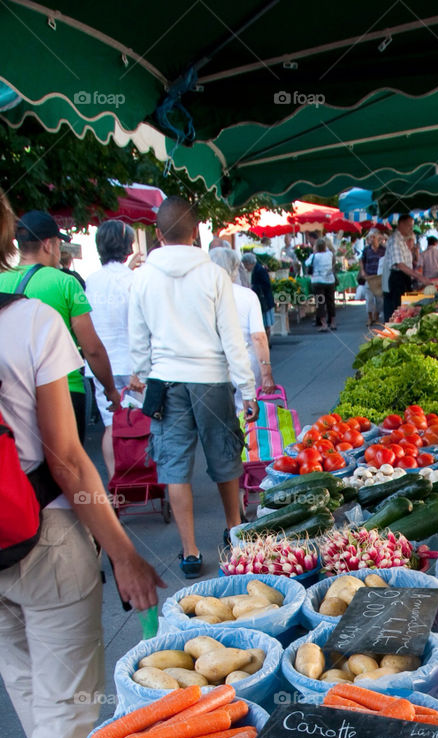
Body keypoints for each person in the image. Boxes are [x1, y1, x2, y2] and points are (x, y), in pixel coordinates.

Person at [0, 187, 162, 738]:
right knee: (69, 717)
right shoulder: (30, 320)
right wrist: (123, 552)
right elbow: (67, 460)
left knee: (38, 709)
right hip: (43, 537)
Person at [128, 196, 258, 578]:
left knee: (174, 468)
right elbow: (232, 338)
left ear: (157, 233)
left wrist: (142, 371)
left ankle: (189, 551)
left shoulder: (143, 277)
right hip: (212, 379)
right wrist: (245, 388)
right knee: (225, 459)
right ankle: (235, 531)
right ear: (197, 231)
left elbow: (139, 338)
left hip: (166, 382)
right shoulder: (214, 275)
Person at [0, 210, 121, 444]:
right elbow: (92, 348)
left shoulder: (2, 278)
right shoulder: (66, 283)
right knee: (68, 467)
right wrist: (110, 390)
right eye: (58, 244)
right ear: (48, 245)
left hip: (14, 392)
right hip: (64, 390)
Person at [85, 219, 139, 476]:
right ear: (127, 246)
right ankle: (143, 477)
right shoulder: (135, 280)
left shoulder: (89, 282)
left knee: (110, 426)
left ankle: (117, 483)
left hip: (99, 365)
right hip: (133, 365)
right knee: (141, 423)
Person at [209, 246, 276, 403]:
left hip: (213, 367)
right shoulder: (247, 296)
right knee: (249, 413)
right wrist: (266, 373)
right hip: (246, 363)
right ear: (235, 268)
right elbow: (259, 337)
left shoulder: (203, 295)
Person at [381, 215, 426, 321]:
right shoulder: (395, 240)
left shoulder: (402, 240)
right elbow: (400, 265)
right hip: (397, 280)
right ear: (401, 225)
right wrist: (419, 276)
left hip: (403, 279)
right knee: (397, 312)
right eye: (409, 226)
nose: (411, 229)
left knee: (405, 311)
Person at [305, 238, 337, 332]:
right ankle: (333, 322)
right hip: (330, 280)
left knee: (320, 303)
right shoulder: (330, 254)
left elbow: (307, 263)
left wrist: (314, 252)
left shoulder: (314, 256)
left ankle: (324, 324)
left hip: (318, 281)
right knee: (331, 302)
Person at [242, 251, 275, 337]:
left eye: (245, 265)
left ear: (248, 263)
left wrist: (253, 287)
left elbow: (266, 285)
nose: (245, 267)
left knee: (266, 323)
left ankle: (267, 341)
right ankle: (267, 341)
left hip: (265, 300)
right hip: (265, 299)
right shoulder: (258, 269)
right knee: (265, 323)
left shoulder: (259, 270)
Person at [360, 231, 384, 326]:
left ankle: (376, 316)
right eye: (370, 237)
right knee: (369, 299)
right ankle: (370, 318)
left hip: (379, 278)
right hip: (369, 278)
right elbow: (362, 261)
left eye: (373, 237)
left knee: (380, 299)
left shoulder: (383, 249)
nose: (372, 239)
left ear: (378, 238)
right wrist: (362, 271)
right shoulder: (366, 250)